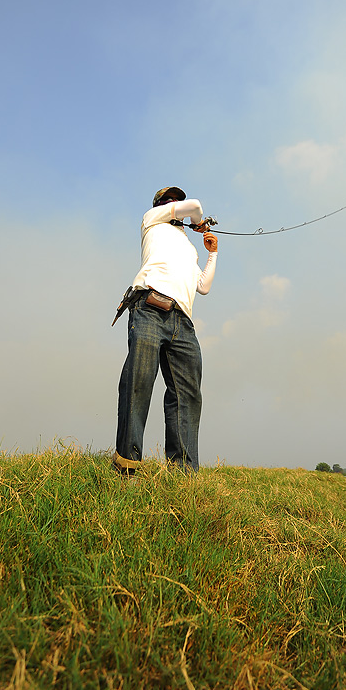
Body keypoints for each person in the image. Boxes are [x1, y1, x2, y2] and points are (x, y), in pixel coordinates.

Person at [112, 186, 218, 475]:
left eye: (176, 201)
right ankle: (127, 465)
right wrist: (199, 221)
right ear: (160, 205)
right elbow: (195, 205)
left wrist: (212, 254)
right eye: (169, 201)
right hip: (148, 307)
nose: (174, 204)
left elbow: (203, 286)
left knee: (187, 394)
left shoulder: (189, 247)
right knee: (139, 381)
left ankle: (182, 474)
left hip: (182, 321)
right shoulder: (152, 220)